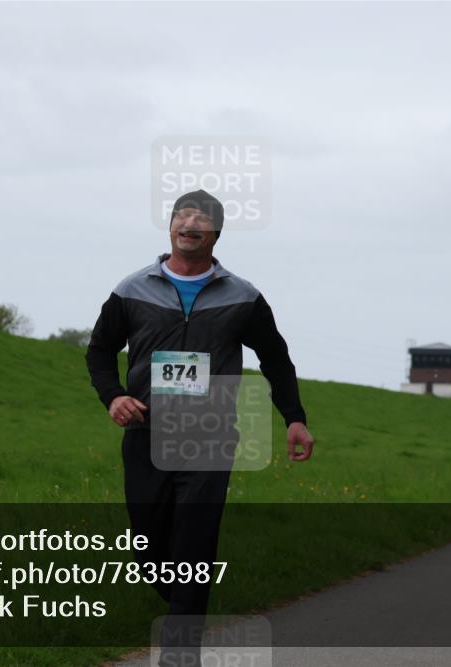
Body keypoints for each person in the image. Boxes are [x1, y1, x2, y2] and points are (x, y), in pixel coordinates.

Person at [85, 189, 314, 665]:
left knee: (195, 542)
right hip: (146, 434)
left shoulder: (243, 297)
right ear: (170, 227)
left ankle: (180, 651)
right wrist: (114, 396)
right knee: (149, 549)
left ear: (216, 232)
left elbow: (275, 358)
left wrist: (294, 418)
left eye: (201, 218)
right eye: (182, 216)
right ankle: (187, 607)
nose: (190, 224)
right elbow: (100, 350)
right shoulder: (132, 290)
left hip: (210, 435)